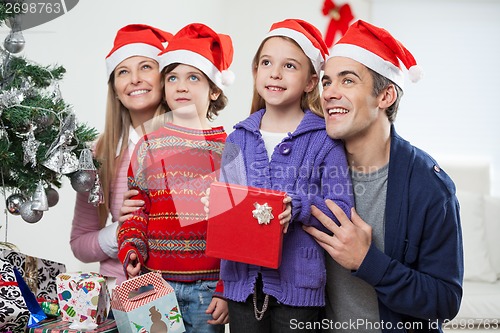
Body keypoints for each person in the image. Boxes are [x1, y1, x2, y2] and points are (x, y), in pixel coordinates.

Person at [303, 20, 463, 332]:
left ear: (385, 96)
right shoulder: (309, 168)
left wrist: (367, 261)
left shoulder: (430, 186)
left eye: (347, 81)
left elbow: (445, 301)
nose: (329, 93)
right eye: (326, 82)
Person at [215, 19, 353, 333]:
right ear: (255, 73)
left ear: (310, 81)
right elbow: (228, 217)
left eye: (289, 65)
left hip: (299, 290)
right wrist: (223, 286)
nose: (275, 73)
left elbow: (342, 209)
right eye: (266, 63)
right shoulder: (238, 139)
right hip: (241, 287)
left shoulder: (324, 141)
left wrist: (300, 207)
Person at [117, 23, 234, 332]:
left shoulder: (230, 149)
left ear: (214, 89)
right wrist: (132, 249)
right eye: (172, 78)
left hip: (207, 291)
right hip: (155, 285)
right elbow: (137, 211)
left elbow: (235, 228)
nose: (181, 86)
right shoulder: (148, 145)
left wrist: (226, 286)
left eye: (193, 77)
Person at [70, 24, 172, 285]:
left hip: (187, 291)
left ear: (165, 78)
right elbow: (80, 244)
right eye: (123, 71)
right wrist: (123, 230)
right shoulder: (97, 153)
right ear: (115, 88)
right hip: (123, 297)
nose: (135, 79)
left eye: (146, 67)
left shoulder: (191, 143)